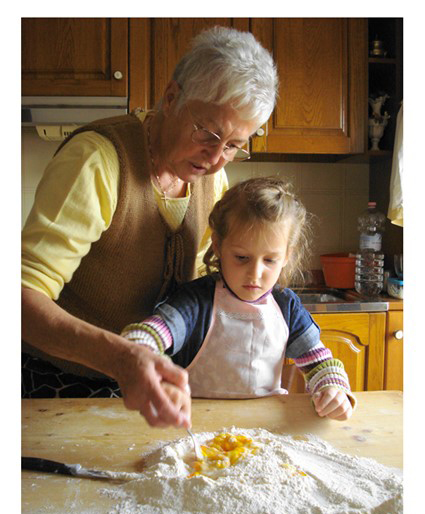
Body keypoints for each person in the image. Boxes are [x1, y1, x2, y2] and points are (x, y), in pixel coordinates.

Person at [21, 26, 278, 429]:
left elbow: (207, 286)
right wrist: (122, 358)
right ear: (172, 98)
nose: (215, 158)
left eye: (232, 145)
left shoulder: (213, 182)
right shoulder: (97, 161)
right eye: (208, 133)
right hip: (56, 389)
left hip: (151, 386)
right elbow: (20, 298)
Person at [120, 177, 355, 420]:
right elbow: (149, 335)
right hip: (194, 426)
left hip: (266, 430)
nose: (255, 273)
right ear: (219, 246)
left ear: (286, 256)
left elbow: (318, 363)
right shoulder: (196, 302)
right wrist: (144, 354)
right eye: (242, 257)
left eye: (270, 260)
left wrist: (333, 389)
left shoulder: (287, 306)